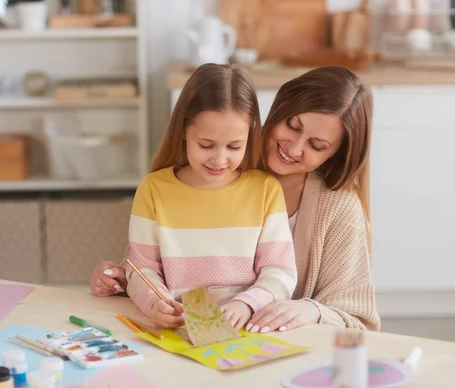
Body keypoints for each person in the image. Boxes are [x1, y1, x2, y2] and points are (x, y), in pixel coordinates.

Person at [90, 65, 381, 332]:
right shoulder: (216, 167)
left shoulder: (337, 207)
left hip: (273, 348)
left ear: (334, 154)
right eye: (292, 126)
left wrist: (311, 310)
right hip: (191, 336)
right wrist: (117, 280)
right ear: (279, 109)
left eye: (316, 146)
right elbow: (150, 268)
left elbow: (358, 320)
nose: (293, 148)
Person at [124, 63, 298, 330]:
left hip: (247, 328)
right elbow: (140, 269)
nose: (219, 159)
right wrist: (155, 302)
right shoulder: (154, 189)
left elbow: (281, 272)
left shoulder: (265, 190)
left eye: (234, 146)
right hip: (180, 329)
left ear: (249, 136)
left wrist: (246, 304)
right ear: (183, 130)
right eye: (206, 145)